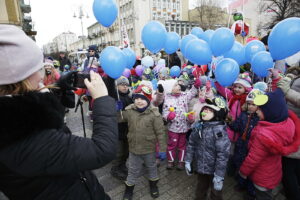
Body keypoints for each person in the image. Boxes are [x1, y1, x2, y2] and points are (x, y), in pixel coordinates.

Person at [0, 25, 118, 200]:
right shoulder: (24, 140)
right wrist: (101, 99)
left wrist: (60, 87)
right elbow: (102, 150)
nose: (41, 76)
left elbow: (37, 113)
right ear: (17, 80)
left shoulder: (15, 115)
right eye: (35, 70)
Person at [239, 89, 300, 200]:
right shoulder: (287, 123)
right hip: (273, 172)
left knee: (263, 196)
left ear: (270, 113)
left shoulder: (264, 136)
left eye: (260, 109)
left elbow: (253, 159)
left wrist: (243, 172)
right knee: (267, 193)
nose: (257, 111)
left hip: (261, 176)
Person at [120, 85, 166, 200]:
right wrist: (117, 110)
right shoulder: (129, 111)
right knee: (132, 170)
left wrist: (162, 149)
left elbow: (160, 133)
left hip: (149, 149)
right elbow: (118, 118)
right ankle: (128, 190)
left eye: (142, 98)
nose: (139, 101)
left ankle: (153, 186)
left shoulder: (155, 115)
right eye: (136, 98)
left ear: (148, 99)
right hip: (133, 149)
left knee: (151, 168)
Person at [185, 97, 230, 200]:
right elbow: (191, 144)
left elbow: (222, 155)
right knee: (201, 188)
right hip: (202, 167)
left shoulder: (219, 132)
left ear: (217, 115)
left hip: (215, 169)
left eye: (210, 110)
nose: (206, 112)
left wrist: (219, 175)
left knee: (216, 193)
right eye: (205, 109)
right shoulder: (198, 127)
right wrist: (188, 160)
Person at [228, 89, 262, 200]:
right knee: (240, 164)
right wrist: (230, 122)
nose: (251, 107)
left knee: (251, 169)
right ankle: (241, 183)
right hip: (240, 145)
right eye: (249, 104)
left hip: (251, 147)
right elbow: (236, 127)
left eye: (254, 104)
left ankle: (251, 191)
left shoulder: (260, 119)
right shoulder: (243, 115)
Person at [162, 79, 200, 170]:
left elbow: (191, 93)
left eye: (178, 85)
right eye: (175, 85)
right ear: (170, 89)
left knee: (182, 145)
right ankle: (170, 161)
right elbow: (164, 112)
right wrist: (168, 117)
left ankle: (181, 161)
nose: (178, 86)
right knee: (172, 144)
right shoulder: (167, 99)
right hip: (173, 128)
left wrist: (195, 86)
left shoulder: (184, 96)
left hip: (184, 127)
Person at [110, 76, 133, 181]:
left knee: (126, 151)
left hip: (128, 130)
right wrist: (115, 108)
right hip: (117, 130)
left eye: (126, 85)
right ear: (117, 86)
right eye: (121, 85)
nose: (124, 87)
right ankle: (115, 169)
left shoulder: (130, 97)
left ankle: (122, 165)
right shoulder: (114, 97)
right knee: (119, 152)